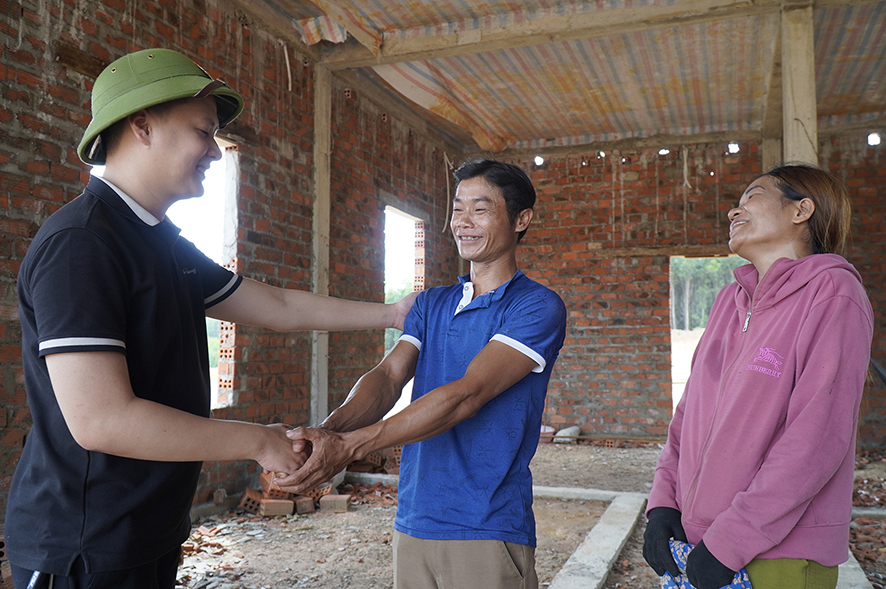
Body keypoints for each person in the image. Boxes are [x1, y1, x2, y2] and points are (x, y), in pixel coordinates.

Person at [6, 48, 414, 589]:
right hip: (85, 541)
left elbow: (278, 306)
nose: (215, 154)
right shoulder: (83, 244)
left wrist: (393, 312)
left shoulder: (158, 242)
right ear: (143, 125)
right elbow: (101, 418)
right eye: (204, 132)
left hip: (145, 528)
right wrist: (257, 439)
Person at [275, 159, 567, 589]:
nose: (463, 223)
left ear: (522, 219)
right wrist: (326, 435)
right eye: (457, 209)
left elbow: (467, 395)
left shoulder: (535, 307)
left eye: (480, 209)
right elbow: (389, 377)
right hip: (413, 519)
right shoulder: (431, 304)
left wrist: (350, 446)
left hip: (485, 526)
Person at [643, 164, 874, 589]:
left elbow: (818, 437)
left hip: (778, 552)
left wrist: (731, 541)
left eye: (752, 196)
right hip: (700, 545)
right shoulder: (728, 301)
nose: (734, 210)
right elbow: (688, 414)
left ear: (801, 210)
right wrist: (662, 506)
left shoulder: (834, 293)